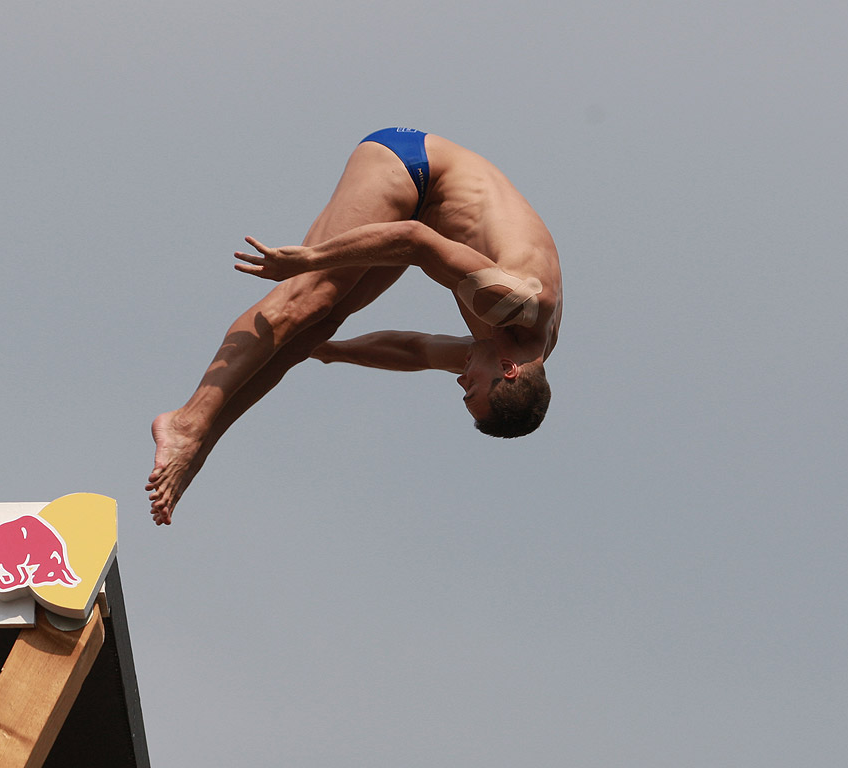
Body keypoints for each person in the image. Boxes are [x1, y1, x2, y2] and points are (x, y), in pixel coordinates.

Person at [147, 128, 562, 525]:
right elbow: (415, 239)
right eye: (470, 387)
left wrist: (331, 350)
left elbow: (414, 351)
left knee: (312, 330)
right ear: (508, 371)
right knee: (308, 298)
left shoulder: (513, 350)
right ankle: (186, 422)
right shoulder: (515, 303)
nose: (461, 381)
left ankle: (199, 447)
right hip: (414, 167)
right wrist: (310, 260)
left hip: (425, 215)